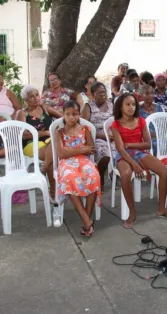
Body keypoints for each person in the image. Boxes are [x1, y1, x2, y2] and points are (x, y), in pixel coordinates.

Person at [110, 93, 167, 229]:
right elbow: (120, 149)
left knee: (164, 171)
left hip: (139, 152)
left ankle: (162, 208)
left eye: (133, 104)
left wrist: (130, 145)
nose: (131, 107)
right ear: (120, 107)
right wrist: (135, 165)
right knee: (126, 174)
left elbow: (148, 144)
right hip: (124, 156)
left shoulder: (141, 121)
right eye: (128, 104)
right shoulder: (116, 125)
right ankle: (132, 213)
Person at [55, 100, 101, 237]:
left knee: (93, 175)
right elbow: (61, 154)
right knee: (69, 178)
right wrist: (82, 149)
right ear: (63, 115)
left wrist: (73, 150)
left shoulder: (85, 130)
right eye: (68, 114)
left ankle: (86, 218)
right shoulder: (59, 132)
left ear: (79, 115)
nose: (71, 117)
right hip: (66, 162)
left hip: (83, 161)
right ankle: (87, 221)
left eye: (74, 114)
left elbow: (91, 149)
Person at [17, 85, 63, 200]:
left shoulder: (45, 108)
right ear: (25, 100)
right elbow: (24, 135)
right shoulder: (22, 113)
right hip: (31, 144)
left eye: (37, 95)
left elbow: (63, 118)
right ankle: (53, 190)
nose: (35, 98)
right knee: (53, 151)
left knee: (52, 150)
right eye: (31, 96)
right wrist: (46, 133)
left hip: (50, 142)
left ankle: (44, 170)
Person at [81, 82, 115, 188]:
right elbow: (84, 127)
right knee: (105, 154)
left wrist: (115, 135)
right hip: (96, 137)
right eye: (99, 93)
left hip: (112, 136)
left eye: (104, 92)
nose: (102, 95)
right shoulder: (88, 106)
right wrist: (101, 136)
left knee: (121, 151)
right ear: (92, 94)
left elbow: (117, 121)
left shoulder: (111, 104)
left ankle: (116, 176)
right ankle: (100, 177)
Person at [139, 85, 167, 157]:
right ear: (141, 96)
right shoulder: (139, 110)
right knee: (156, 144)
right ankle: (157, 165)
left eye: (152, 93)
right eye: (147, 93)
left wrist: (164, 134)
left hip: (162, 134)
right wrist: (157, 135)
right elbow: (140, 129)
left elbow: (164, 124)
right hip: (148, 137)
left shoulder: (158, 107)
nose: (150, 95)